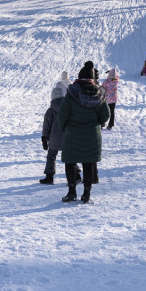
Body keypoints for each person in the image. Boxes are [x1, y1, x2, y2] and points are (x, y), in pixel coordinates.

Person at [57, 62, 109, 203]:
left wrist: (64, 127)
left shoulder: (72, 93)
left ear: (80, 77)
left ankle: (71, 192)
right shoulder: (99, 93)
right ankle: (86, 194)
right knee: (88, 163)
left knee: (70, 162)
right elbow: (105, 115)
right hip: (92, 135)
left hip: (72, 134)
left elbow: (62, 114)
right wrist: (97, 123)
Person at [39, 79, 70, 184]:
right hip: (67, 138)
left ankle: (49, 176)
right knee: (70, 158)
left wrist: (44, 138)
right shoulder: (68, 109)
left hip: (54, 139)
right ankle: (76, 175)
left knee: (51, 156)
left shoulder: (50, 111)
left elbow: (46, 126)